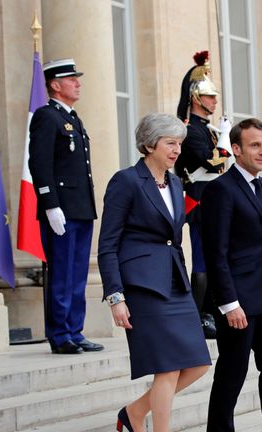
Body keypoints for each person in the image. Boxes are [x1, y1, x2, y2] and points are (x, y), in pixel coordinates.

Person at [98, 113, 211, 432]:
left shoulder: (176, 183)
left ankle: (134, 412)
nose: (176, 150)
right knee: (167, 368)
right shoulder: (126, 181)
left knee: (198, 364)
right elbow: (108, 244)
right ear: (149, 145)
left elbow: (174, 239)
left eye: (179, 143)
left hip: (175, 283)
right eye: (169, 143)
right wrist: (115, 296)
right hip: (143, 285)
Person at [201, 118, 262, 431]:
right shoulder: (220, 190)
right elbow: (216, 253)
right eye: (255, 145)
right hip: (237, 302)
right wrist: (228, 303)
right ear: (236, 149)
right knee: (232, 374)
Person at [28, 58, 103, 354]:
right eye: (72, 79)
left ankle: (75, 330)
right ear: (55, 85)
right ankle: (60, 335)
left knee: (77, 273)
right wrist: (50, 205)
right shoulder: (47, 117)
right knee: (61, 273)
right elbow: (40, 163)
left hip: (80, 208)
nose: (78, 83)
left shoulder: (73, 119)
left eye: (77, 78)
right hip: (60, 209)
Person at [176, 50, 233, 339]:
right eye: (209, 96)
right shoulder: (190, 131)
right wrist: (224, 137)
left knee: (215, 258)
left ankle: (212, 310)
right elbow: (211, 161)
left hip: (213, 198)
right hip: (199, 200)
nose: (214, 100)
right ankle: (198, 315)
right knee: (201, 260)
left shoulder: (207, 130)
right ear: (196, 98)